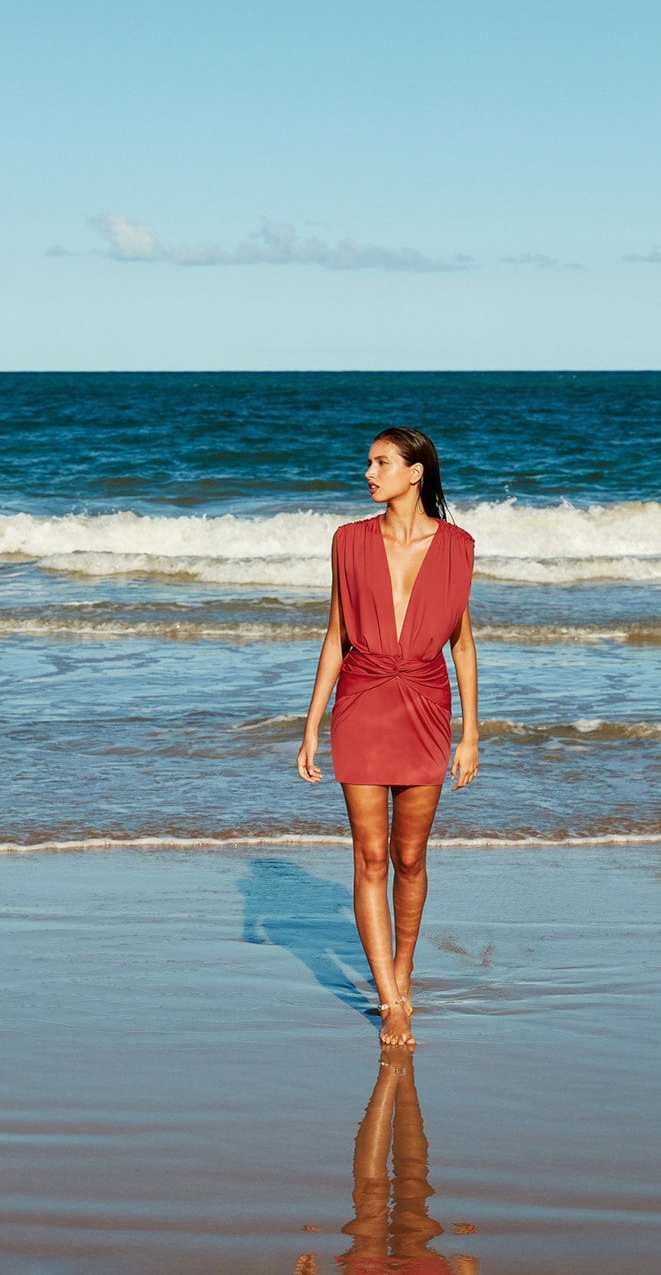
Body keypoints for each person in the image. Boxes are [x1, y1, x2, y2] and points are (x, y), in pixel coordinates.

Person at [297, 428, 478, 1048]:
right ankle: (389, 999)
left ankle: (403, 970)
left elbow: (462, 643)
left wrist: (470, 734)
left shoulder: (457, 546)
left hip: (427, 705)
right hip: (362, 703)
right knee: (370, 857)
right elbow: (335, 636)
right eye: (368, 462)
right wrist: (311, 725)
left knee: (410, 857)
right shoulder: (348, 541)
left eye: (381, 463)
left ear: (415, 472)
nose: (369, 473)